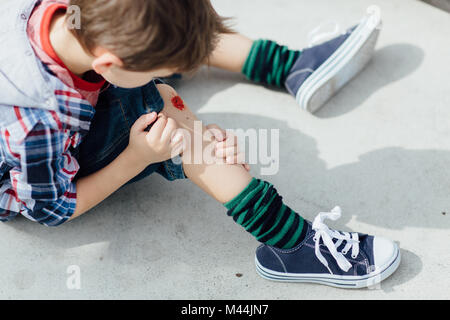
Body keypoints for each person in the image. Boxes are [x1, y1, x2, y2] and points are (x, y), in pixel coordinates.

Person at [0, 0, 400, 288]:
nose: (180, 73)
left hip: (78, 97)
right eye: (169, 68)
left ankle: (292, 67)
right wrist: (138, 157)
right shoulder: (39, 122)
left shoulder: (71, 15)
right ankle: (292, 245)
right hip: (49, 171)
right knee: (167, 114)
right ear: (109, 64)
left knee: (175, 25)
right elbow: (54, 208)